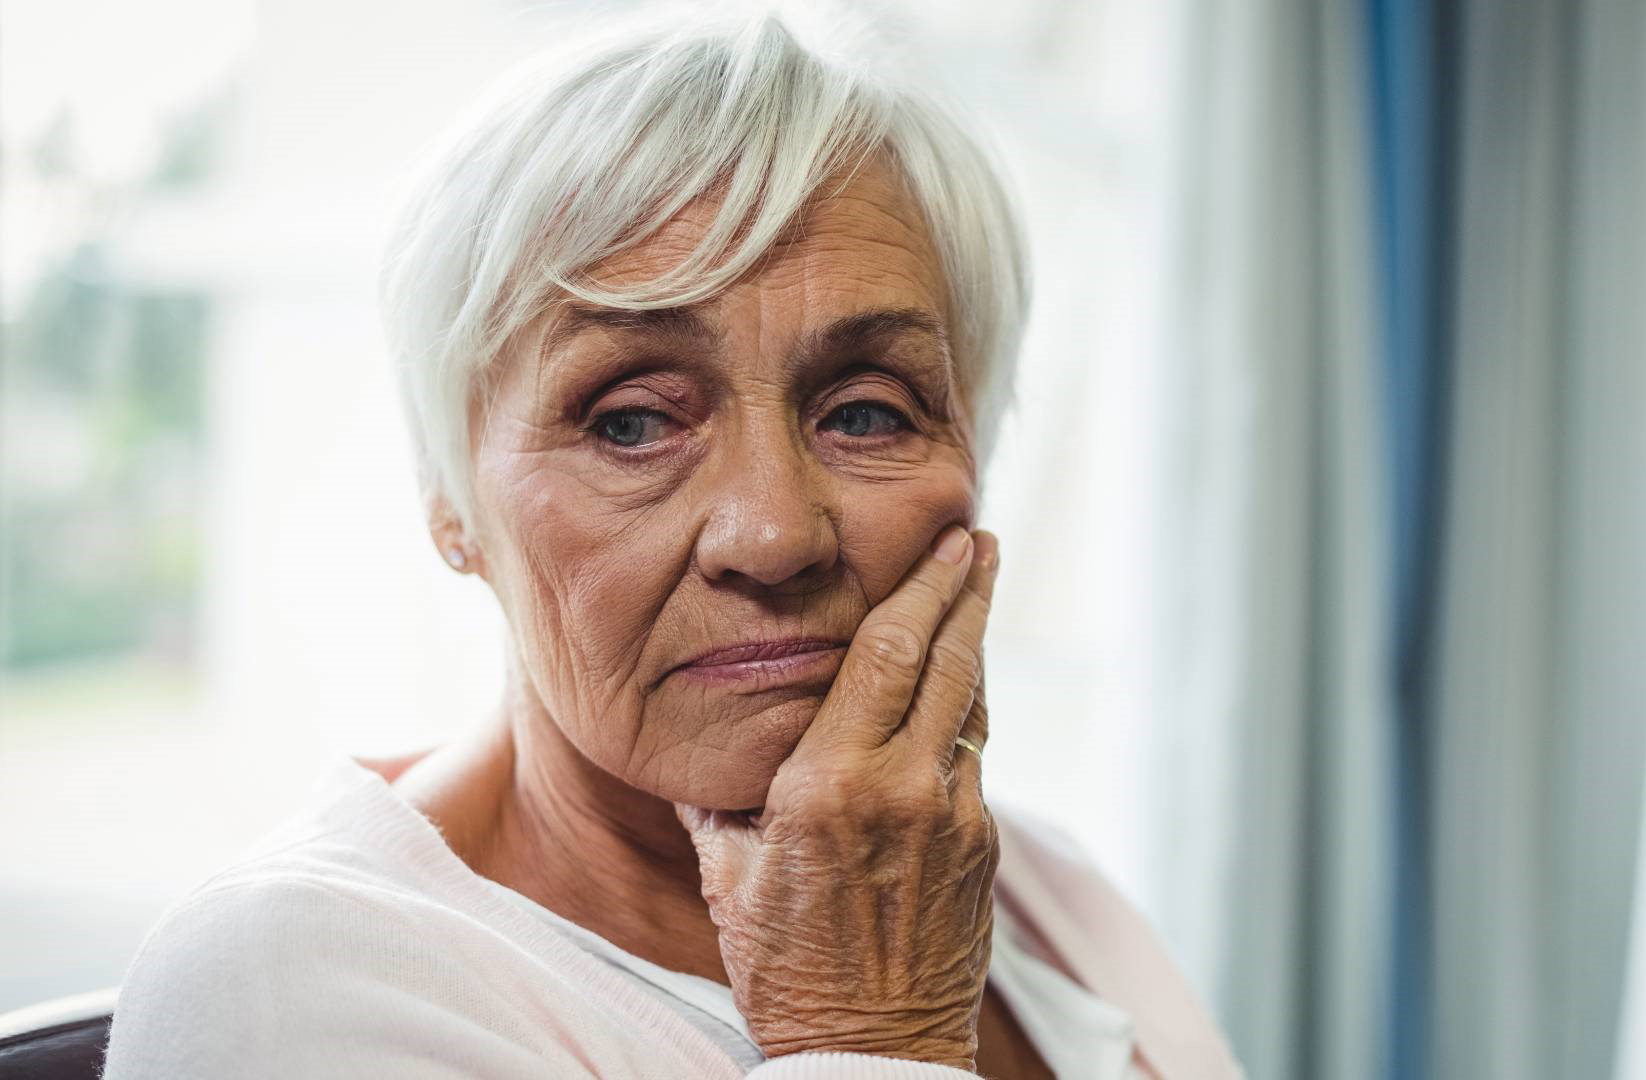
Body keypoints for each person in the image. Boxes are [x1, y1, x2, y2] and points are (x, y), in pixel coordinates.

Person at [103, 11, 1241, 1078]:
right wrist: (869, 1034)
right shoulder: (286, 985)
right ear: (450, 503)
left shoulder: (1042, 890)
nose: (774, 535)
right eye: (631, 424)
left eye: (865, 412)